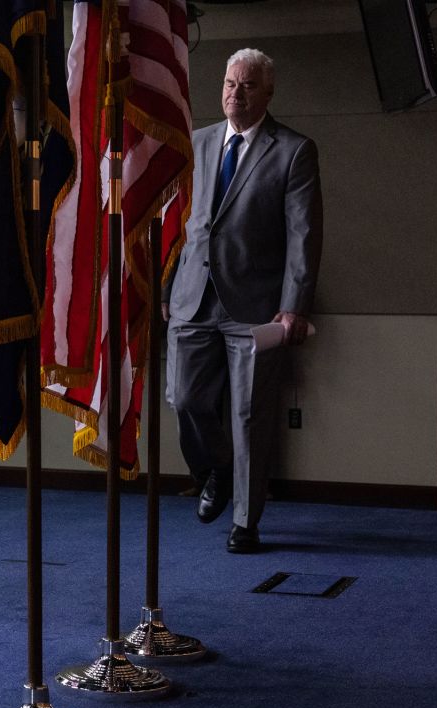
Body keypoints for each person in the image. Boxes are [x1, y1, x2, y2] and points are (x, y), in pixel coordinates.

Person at [163, 48, 322, 554]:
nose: (235, 92)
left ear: (267, 92)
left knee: (250, 415)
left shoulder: (294, 151)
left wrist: (294, 304)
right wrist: (169, 289)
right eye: (230, 83)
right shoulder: (199, 141)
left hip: (256, 305)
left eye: (247, 85)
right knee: (184, 398)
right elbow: (182, 225)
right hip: (193, 298)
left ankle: (245, 524)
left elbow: (304, 234)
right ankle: (218, 471)